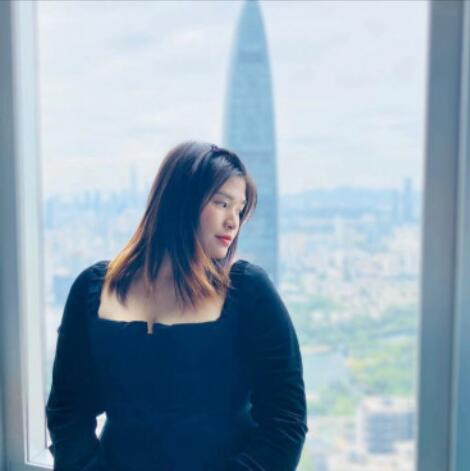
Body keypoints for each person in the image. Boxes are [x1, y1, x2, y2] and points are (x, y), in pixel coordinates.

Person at [45, 141, 309, 471]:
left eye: (240, 210)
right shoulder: (93, 288)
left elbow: (286, 422)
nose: (233, 221)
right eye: (222, 203)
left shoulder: (249, 291)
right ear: (180, 201)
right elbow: (67, 411)